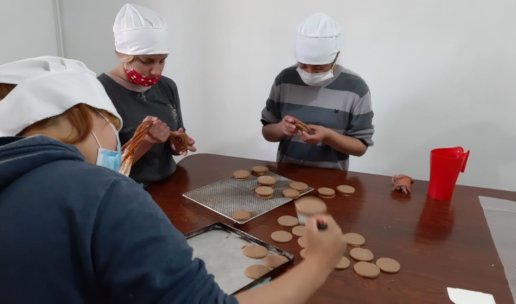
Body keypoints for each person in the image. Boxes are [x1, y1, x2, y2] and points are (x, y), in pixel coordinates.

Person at [0, 56, 346, 303]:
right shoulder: (101, 194)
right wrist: (320, 262)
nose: (117, 139)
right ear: (90, 117)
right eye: (114, 124)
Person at [261, 13, 375, 170]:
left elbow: (361, 146)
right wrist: (281, 128)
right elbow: (267, 132)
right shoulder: (285, 80)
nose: (309, 72)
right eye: (303, 65)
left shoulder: (356, 88)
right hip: (286, 176)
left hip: (331, 181)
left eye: (319, 68)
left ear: (336, 57)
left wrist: (328, 137)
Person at [98, 3, 195, 185]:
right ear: (123, 55)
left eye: (162, 60)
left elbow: (173, 138)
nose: (156, 71)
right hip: (129, 192)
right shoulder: (100, 93)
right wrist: (145, 141)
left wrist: (176, 143)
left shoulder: (167, 86)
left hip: (170, 184)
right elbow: (103, 170)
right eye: (147, 61)